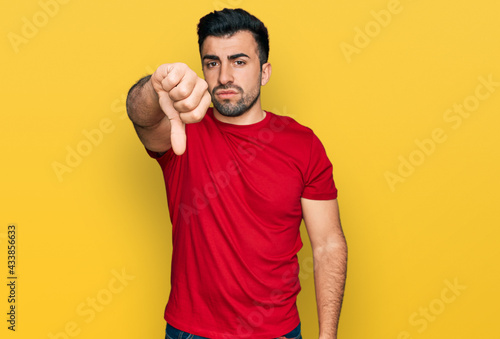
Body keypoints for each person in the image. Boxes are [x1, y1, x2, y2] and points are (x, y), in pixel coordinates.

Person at [126, 8, 347, 339]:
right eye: (212, 63)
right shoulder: (182, 132)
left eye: (239, 61)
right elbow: (140, 115)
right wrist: (156, 85)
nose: (224, 76)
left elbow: (328, 244)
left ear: (265, 71)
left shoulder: (303, 144)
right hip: (191, 332)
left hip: (277, 332)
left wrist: (328, 336)